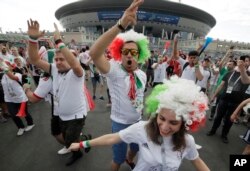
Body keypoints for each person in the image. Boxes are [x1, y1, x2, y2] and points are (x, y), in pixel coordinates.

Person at [69, 76, 210, 171]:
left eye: (173, 122)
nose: (165, 127)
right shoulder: (143, 129)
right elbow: (112, 138)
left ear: (185, 123)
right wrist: (82, 144)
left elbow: (197, 161)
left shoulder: (187, 141)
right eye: (161, 118)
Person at [88, 0, 150, 170]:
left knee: (135, 149)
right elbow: (94, 53)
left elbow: (138, 97)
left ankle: (130, 160)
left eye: (134, 52)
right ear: (119, 54)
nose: (129, 55)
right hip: (119, 124)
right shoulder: (114, 69)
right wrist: (121, 25)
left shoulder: (142, 75)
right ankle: (123, 160)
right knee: (118, 158)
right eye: (125, 52)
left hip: (138, 122)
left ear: (139, 55)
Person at [27, 19, 87, 166]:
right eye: (56, 59)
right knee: (67, 137)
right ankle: (85, 140)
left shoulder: (77, 72)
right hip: (61, 114)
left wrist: (59, 41)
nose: (58, 62)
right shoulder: (54, 69)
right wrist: (33, 39)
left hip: (76, 116)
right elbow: (34, 59)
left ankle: (77, 153)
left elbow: (75, 64)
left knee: (69, 141)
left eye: (62, 59)